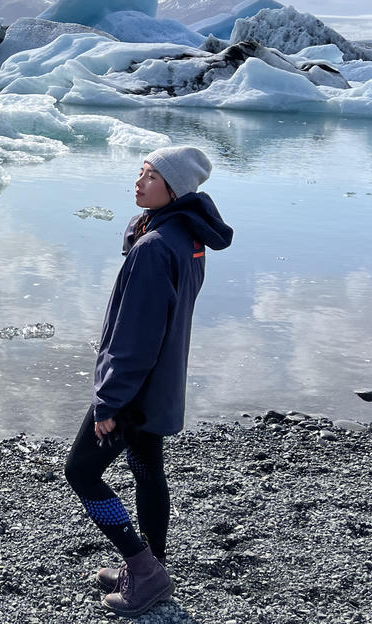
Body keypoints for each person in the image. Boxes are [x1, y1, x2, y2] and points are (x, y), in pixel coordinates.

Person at [64, 145, 233, 616]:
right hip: (160, 385)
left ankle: (143, 567)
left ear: (174, 188)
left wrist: (110, 400)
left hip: (134, 390)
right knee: (145, 470)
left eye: (151, 176)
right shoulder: (185, 235)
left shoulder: (155, 247)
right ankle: (152, 563)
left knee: (81, 472)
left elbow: (135, 335)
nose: (138, 183)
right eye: (140, 173)